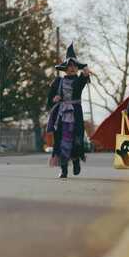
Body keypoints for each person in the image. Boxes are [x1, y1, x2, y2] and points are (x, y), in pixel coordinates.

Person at [47, 43, 91, 179]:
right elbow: (50, 100)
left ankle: (76, 160)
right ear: (65, 69)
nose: (72, 68)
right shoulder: (57, 82)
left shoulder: (79, 81)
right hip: (61, 116)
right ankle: (64, 169)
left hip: (76, 113)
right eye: (69, 66)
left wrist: (83, 66)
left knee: (77, 140)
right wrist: (55, 99)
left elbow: (85, 74)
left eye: (74, 66)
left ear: (77, 68)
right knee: (61, 141)